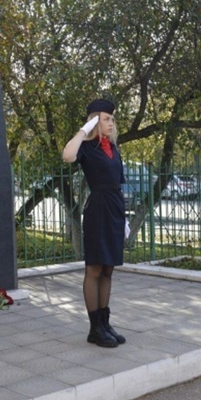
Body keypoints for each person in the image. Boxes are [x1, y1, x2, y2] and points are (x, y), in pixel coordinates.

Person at [62, 98, 128, 348]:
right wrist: (84, 129)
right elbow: (67, 156)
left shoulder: (113, 149)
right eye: (106, 119)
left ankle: (105, 322)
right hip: (97, 209)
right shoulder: (88, 148)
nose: (111, 123)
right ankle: (94, 328)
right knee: (95, 269)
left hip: (115, 208)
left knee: (109, 268)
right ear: (94, 121)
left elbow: (117, 184)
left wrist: (125, 220)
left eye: (112, 119)